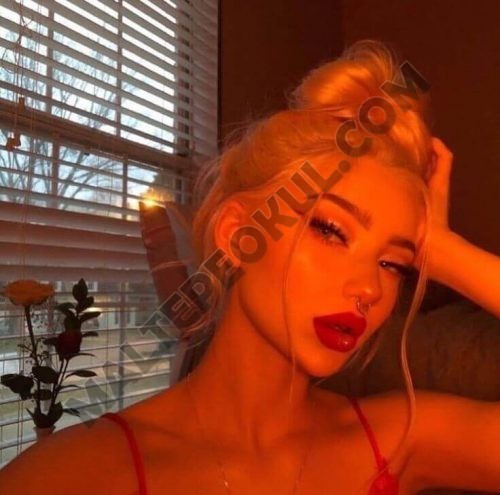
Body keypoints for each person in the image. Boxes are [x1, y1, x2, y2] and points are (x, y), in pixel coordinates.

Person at [1, 39, 499, 495]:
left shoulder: (400, 441)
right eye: (331, 230)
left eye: (392, 263)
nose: (369, 287)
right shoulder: (76, 475)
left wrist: (447, 253)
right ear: (237, 235)